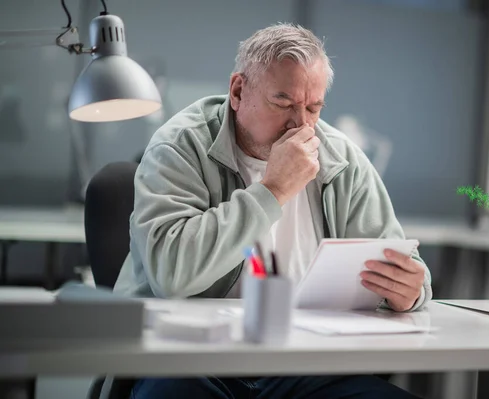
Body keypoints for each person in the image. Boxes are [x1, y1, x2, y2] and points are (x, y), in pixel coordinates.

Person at [114, 22, 432, 399]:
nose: (301, 123)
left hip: (305, 365)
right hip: (191, 360)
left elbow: (401, 263)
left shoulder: (342, 159)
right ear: (237, 91)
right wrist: (273, 189)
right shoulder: (179, 146)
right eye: (283, 103)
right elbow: (173, 274)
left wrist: (411, 290)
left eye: (313, 107)